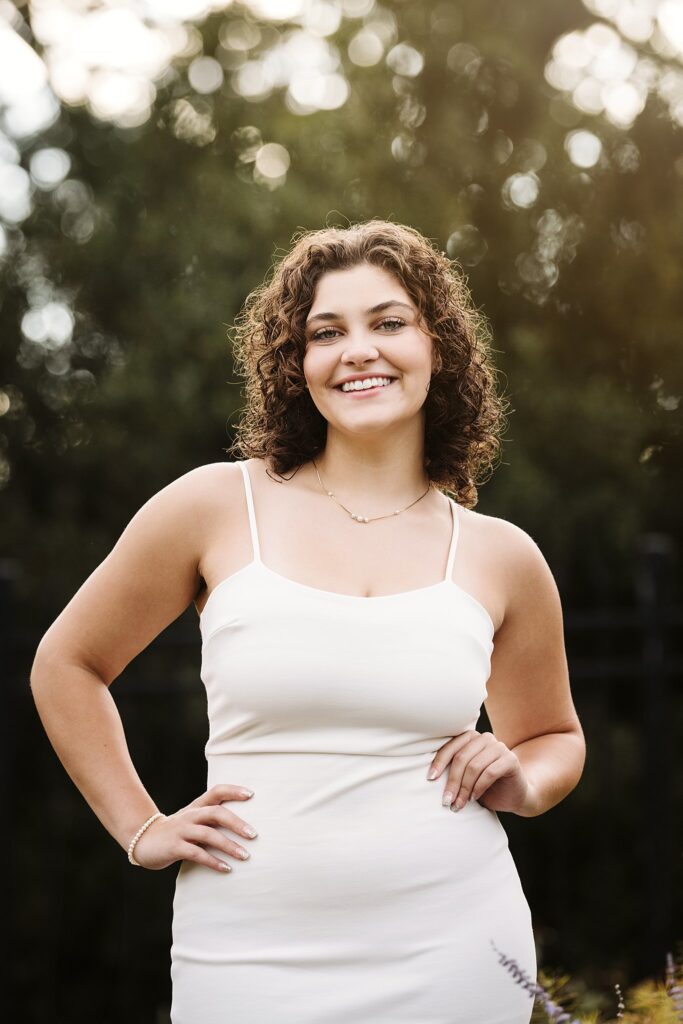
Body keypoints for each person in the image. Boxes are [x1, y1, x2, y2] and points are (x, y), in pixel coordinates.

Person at [30, 219, 586, 1023]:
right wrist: (140, 825)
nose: (357, 349)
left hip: (456, 945)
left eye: (388, 323)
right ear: (298, 364)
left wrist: (523, 780)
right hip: (247, 949)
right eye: (326, 332)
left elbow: (554, 737)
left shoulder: (501, 556)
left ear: (440, 349)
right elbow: (67, 664)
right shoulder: (214, 506)